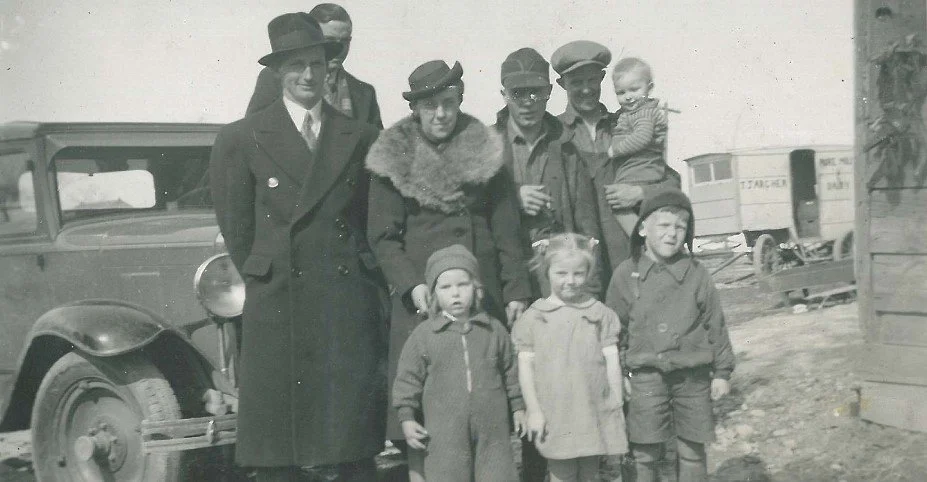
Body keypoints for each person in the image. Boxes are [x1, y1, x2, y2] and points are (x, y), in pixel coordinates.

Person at [209, 13, 386, 481]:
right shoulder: (239, 138)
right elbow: (238, 228)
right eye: (295, 66)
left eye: (316, 63)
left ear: (329, 67)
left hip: (344, 296)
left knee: (347, 442)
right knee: (279, 449)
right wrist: (269, 275)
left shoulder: (361, 136)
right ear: (276, 73)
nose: (308, 75)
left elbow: (372, 222)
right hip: (278, 300)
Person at [366, 59, 532, 481]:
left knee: (485, 402)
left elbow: (508, 229)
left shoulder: (485, 150)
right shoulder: (393, 160)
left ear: (459, 100)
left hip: (481, 291)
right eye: (430, 106)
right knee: (424, 410)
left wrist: (515, 291)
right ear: (415, 109)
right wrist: (410, 286)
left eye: (448, 103)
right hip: (422, 298)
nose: (440, 114)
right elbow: (383, 237)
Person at [605, 187, 735, 482]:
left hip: (693, 375)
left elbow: (716, 324)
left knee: (692, 449)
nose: (672, 233)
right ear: (642, 228)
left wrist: (722, 373)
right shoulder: (626, 275)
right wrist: (620, 375)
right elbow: (614, 332)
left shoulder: (697, 274)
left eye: (681, 226)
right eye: (664, 225)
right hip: (645, 377)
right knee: (644, 452)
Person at [392, 244, 526, 482]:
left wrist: (518, 408)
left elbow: (511, 372)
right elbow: (407, 379)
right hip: (444, 430)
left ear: (476, 289)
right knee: (447, 474)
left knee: (497, 474)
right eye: (445, 287)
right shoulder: (425, 335)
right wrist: (407, 416)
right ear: (434, 294)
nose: (455, 293)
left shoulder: (494, 330)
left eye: (462, 285)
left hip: (492, 428)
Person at [551, 41, 681, 277]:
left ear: (602, 79)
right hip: (580, 266)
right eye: (576, 82)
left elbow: (671, 182)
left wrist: (642, 193)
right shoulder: (553, 134)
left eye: (591, 80)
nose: (586, 89)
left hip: (630, 258)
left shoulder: (626, 126)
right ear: (562, 84)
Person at [513, 233, 628, 482]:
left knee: (590, 472)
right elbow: (526, 370)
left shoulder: (600, 314)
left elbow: (611, 363)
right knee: (562, 473)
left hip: (593, 408)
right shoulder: (535, 318)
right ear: (547, 271)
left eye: (578, 273)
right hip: (556, 411)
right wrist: (533, 410)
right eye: (561, 273)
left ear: (588, 272)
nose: (571, 281)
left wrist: (616, 404)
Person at [493, 47, 603, 300]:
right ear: (504, 95)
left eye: (536, 91)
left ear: (549, 92)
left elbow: (588, 227)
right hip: (508, 282)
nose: (528, 101)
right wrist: (513, 200)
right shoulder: (487, 147)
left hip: (562, 282)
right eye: (518, 93)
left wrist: (592, 295)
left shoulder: (567, 149)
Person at [246, 3, 383, 129]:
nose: (340, 48)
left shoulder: (364, 93)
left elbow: (377, 146)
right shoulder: (276, 77)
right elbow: (253, 131)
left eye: (345, 41)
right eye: (330, 40)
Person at [607, 57, 669, 237]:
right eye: (621, 92)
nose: (628, 96)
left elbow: (642, 137)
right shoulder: (631, 113)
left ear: (649, 88)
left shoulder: (644, 113)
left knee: (617, 203)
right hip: (639, 171)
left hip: (640, 171)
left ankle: (640, 234)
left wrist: (616, 150)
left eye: (634, 89)